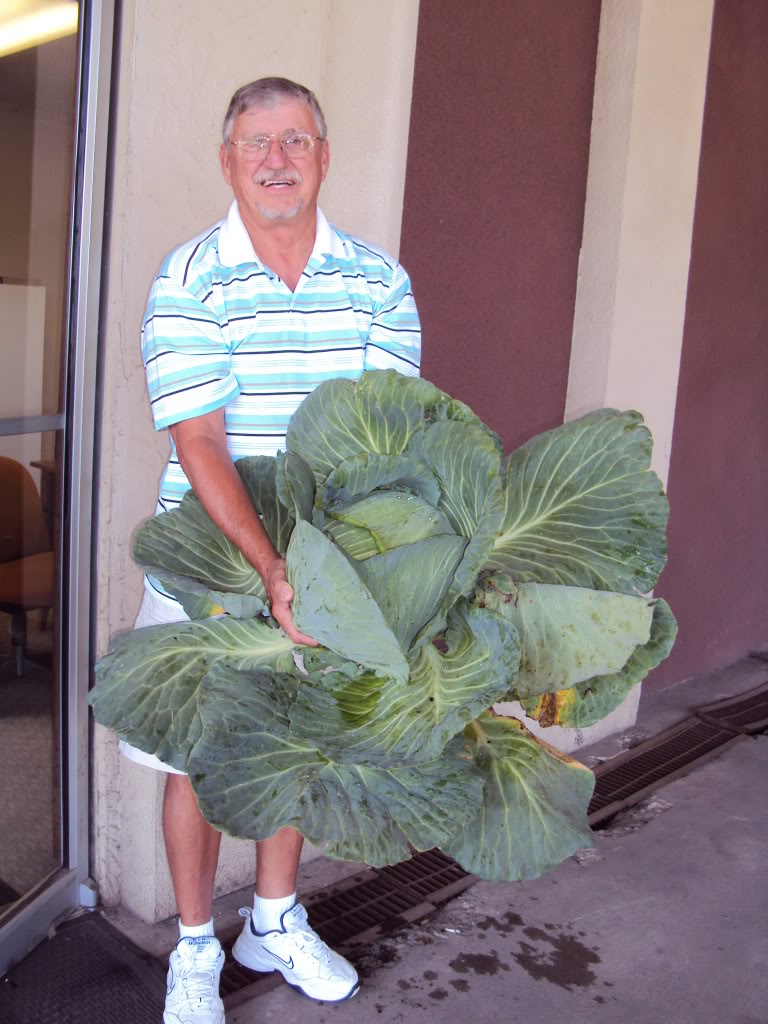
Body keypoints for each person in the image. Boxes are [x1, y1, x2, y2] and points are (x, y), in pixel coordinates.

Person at [120, 77, 421, 1024]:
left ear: (325, 157)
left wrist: (338, 569)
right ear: (228, 161)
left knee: (298, 746)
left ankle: (276, 921)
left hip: (328, 555)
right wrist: (271, 566)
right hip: (211, 556)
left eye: (296, 141)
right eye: (257, 142)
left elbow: (387, 437)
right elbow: (200, 443)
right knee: (198, 759)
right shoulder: (191, 278)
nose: (277, 160)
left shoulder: (379, 281)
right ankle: (198, 946)